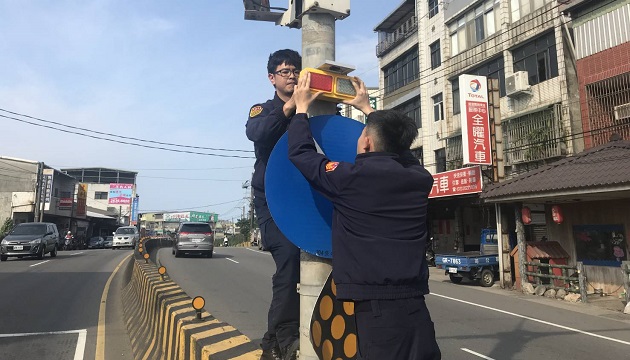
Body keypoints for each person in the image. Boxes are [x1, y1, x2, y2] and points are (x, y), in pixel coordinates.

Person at [288, 72, 441, 360]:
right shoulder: (420, 179)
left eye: (362, 135)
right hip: (415, 307)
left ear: (367, 144)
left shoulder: (351, 179)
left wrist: (301, 111)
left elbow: (302, 155)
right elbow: (402, 153)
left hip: (376, 312)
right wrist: (369, 112)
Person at [245, 49, 301, 360]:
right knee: (290, 259)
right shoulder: (262, 110)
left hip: (306, 197)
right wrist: (291, 107)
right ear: (272, 78)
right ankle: (286, 336)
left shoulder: (312, 108)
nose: (291, 76)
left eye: (295, 71)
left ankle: (272, 341)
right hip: (272, 200)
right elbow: (257, 133)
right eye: (285, 71)